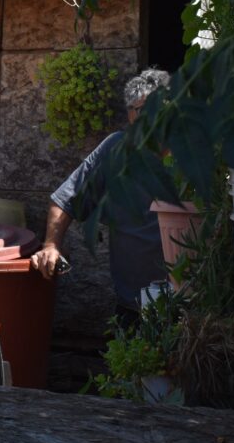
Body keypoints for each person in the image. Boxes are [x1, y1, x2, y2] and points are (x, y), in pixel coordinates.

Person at [30, 68, 171, 323]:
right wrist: (51, 245)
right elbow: (65, 199)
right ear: (131, 115)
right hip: (134, 307)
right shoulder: (115, 151)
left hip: (193, 307)